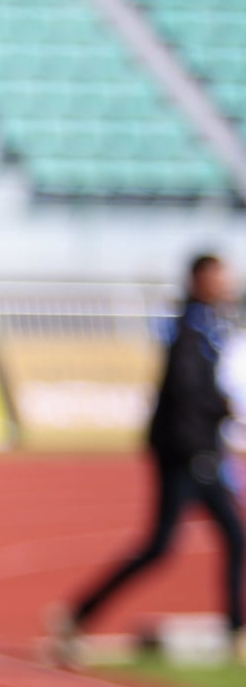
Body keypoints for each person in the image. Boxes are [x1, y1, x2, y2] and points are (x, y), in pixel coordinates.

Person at [51, 251, 243, 664]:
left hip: (195, 449)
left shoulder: (206, 324)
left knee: (227, 537)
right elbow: (186, 392)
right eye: (219, 277)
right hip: (187, 453)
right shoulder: (190, 328)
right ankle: (78, 614)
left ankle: (234, 629)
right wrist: (219, 413)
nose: (226, 284)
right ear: (199, 280)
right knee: (166, 545)